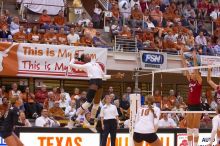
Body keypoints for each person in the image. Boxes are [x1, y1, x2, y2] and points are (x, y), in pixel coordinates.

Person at [69, 54, 124, 125]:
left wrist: (115, 76)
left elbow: (103, 76)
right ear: (84, 59)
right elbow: (71, 64)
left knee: (97, 103)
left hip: (100, 82)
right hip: (93, 81)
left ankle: (92, 119)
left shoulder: (97, 64)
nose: (88, 55)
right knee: (88, 102)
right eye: (86, 55)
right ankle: (75, 115)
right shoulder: (85, 65)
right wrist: (74, 58)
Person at [180, 49, 202, 146]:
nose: (192, 73)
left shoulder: (199, 81)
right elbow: (185, 68)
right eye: (192, 73)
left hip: (197, 106)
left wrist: (194, 59)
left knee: (195, 128)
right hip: (190, 105)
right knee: (189, 128)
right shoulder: (190, 81)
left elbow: (196, 70)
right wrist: (182, 56)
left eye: (193, 73)